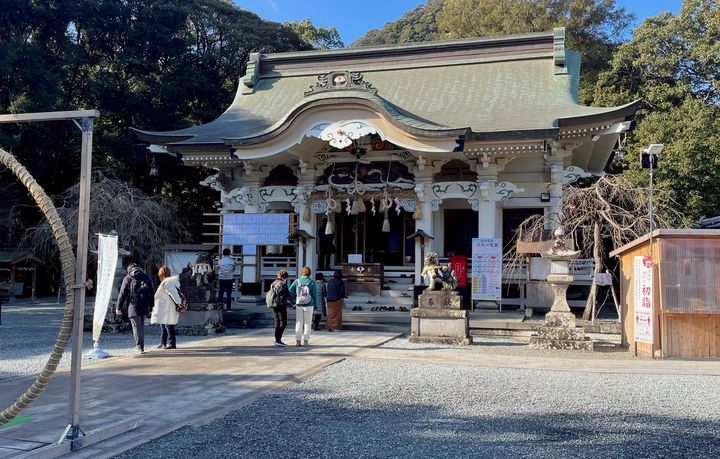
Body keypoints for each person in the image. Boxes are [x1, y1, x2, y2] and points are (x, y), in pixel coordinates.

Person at [116, 263, 154, 354]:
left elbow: (122, 293)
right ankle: (140, 346)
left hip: (133, 306)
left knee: (136, 327)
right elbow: (151, 291)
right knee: (141, 326)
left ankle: (140, 347)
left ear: (129, 270)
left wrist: (118, 307)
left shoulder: (128, 278)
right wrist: (151, 306)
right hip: (145, 305)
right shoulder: (145, 277)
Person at [151, 265, 181, 349]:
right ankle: (163, 342)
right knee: (163, 325)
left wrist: (179, 303)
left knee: (168, 325)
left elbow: (173, 293)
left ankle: (171, 343)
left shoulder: (167, 283)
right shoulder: (169, 282)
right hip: (165, 306)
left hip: (167, 307)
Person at [288, 266, 317, 347]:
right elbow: (315, 295)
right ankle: (306, 341)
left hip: (299, 304)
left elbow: (290, 291)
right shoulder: (311, 282)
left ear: (302, 273)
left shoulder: (297, 281)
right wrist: (316, 306)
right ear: (309, 273)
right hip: (309, 304)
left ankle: (298, 341)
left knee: (298, 322)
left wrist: (294, 299)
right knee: (307, 323)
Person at [268, 269, 291, 347]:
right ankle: (278, 339)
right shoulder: (283, 284)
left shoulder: (273, 283)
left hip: (274, 304)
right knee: (283, 322)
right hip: (281, 304)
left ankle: (277, 339)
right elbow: (287, 295)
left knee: (277, 321)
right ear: (285, 277)